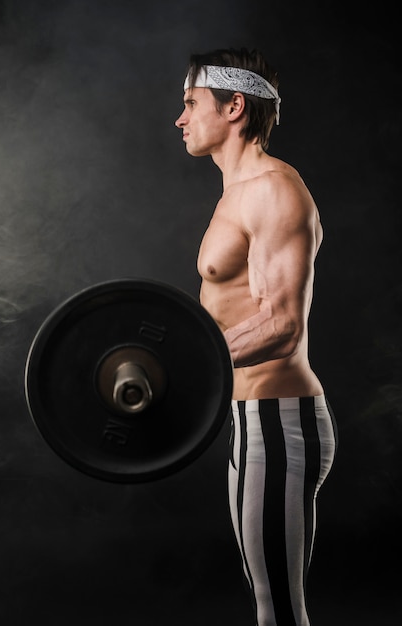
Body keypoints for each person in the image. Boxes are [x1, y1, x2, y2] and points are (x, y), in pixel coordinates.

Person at [175, 48, 338, 626]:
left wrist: (188, 363)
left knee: (280, 611)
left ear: (234, 106)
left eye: (192, 102)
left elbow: (282, 325)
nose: (181, 117)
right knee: (267, 602)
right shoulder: (236, 194)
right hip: (253, 417)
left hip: (280, 417)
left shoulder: (273, 189)